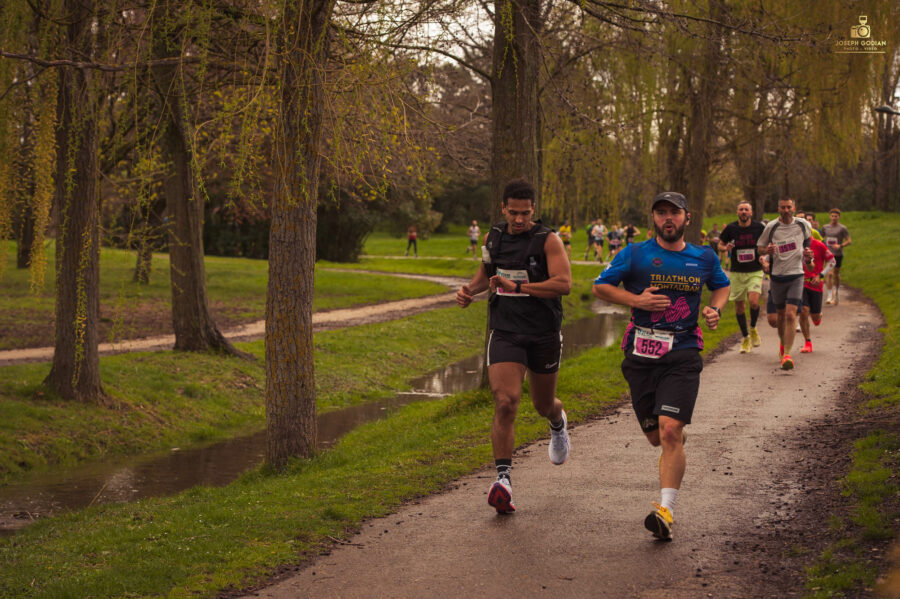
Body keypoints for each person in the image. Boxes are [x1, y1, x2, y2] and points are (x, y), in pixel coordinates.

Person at [592, 191, 730, 541]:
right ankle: (674, 433)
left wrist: (715, 309)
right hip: (640, 354)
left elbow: (722, 286)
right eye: (661, 213)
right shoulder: (636, 253)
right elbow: (601, 287)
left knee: (669, 430)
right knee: (657, 438)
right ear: (654, 218)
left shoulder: (703, 256)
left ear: (687, 217)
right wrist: (636, 299)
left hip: (682, 351)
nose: (668, 219)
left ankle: (666, 510)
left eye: (675, 213)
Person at [456, 178, 572, 515]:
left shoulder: (548, 240)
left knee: (542, 403)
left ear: (533, 209)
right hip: (506, 330)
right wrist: (469, 291)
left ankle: (557, 422)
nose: (519, 219)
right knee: (505, 401)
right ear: (504, 208)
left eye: (525, 213)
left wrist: (519, 287)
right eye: (513, 213)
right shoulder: (495, 236)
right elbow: (485, 276)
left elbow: (563, 284)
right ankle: (503, 480)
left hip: (543, 332)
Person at [757, 197, 814, 370]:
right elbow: (759, 247)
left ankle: (788, 355)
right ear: (778, 209)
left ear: (794, 208)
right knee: (780, 315)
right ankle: (783, 344)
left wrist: (808, 255)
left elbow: (807, 246)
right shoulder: (771, 227)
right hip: (777, 277)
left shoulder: (803, 225)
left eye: (789, 207)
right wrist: (767, 250)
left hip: (796, 275)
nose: (787, 210)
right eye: (783, 207)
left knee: (791, 315)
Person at [718, 201, 766, 353]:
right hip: (737, 272)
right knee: (739, 307)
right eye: (741, 209)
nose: (744, 212)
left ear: (751, 213)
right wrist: (725, 248)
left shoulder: (759, 228)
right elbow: (720, 244)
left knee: (753, 301)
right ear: (737, 212)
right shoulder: (731, 229)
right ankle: (745, 338)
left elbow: (767, 245)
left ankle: (752, 328)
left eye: (746, 209)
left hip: (755, 270)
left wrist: (764, 255)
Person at [798, 237, 835, 353]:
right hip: (799, 283)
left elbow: (832, 261)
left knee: (815, 317)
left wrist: (820, 275)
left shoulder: (818, 245)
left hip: (816, 285)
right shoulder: (795, 244)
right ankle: (807, 342)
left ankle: (817, 315)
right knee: (803, 311)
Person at [822, 208, 851, 305]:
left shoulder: (842, 228)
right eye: (832, 216)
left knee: (836, 274)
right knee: (829, 274)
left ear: (839, 217)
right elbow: (820, 238)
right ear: (829, 216)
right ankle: (829, 296)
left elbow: (849, 241)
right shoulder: (825, 227)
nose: (834, 218)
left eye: (836, 216)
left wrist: (840, 245)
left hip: (838, 254)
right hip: (828, 254)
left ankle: (836, 292)